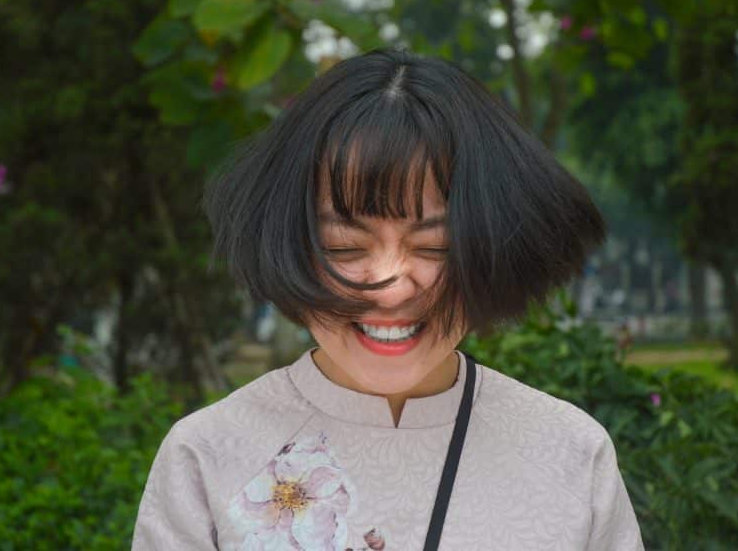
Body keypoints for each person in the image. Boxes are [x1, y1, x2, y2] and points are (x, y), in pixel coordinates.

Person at [132, 47, 644, 550]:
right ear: (288, 244)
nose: (392, 284)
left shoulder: (572, 454)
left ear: (493, 250)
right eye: (345, 247)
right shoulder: (205, 457)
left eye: (435, 247)